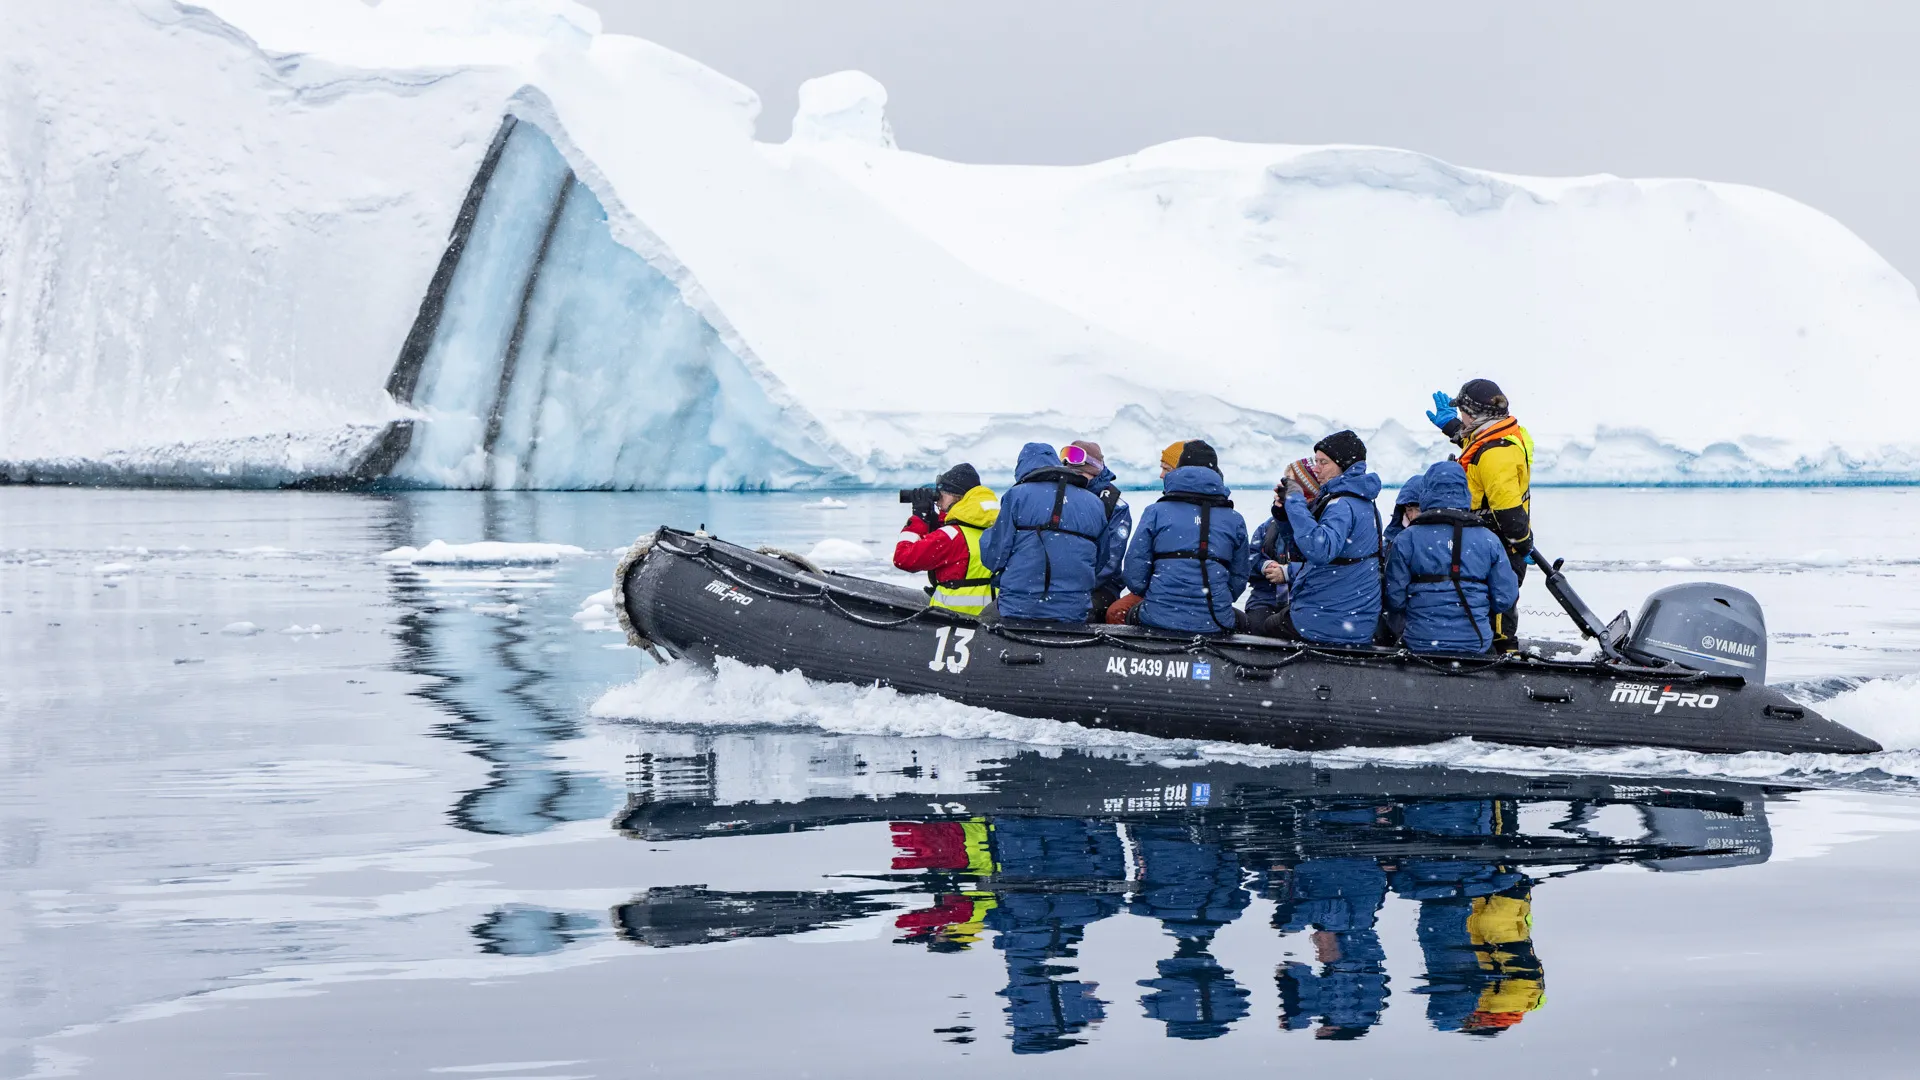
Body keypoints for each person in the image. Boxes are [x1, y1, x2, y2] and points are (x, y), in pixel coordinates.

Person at [1426, 379, 1534, 651]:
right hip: (1494, 538)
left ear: (1475, 415)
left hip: (1498, 540)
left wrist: (1521, 543)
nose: (1460, 416)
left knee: (1499, 604)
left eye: (1462, 411)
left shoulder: (1496, 453)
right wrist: (1451, 427)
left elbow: (1507, 507)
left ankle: (1503, 656)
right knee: (1494, 599)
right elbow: (1477, 448)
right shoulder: (1503, 433)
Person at [1384, 461, 1521, 654]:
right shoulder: (1489, 539)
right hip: (1475, 641)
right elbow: (1505, 598)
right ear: (1465, 492)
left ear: (1426, 492)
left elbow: (1395, 598)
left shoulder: (1406, 538)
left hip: (1420, 640)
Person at [1120, 440, 1251, 633]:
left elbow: (1134, 570)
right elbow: (1239, 576)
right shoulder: (1234, 519)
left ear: (1179, 468)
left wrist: (1157, 593)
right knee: (1244, 622)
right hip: (1214, 622)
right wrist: (1219, 597)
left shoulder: (1156, 512)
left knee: (1121, 612)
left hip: (1157, 616)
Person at [1269, 431, 1383, 645]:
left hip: (1329, 620)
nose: (1316, 468)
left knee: (1263, 628)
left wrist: (1295, 500)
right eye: (1316, 461)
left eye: (1324, 462)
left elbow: (1318, 550)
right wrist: (1284, 515)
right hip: (1353, 618)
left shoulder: (1342, 505)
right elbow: (1300, 550)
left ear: (1344, 465)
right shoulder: (1361, 501)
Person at [979, 442, 1109, 623]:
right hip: (1073, 609)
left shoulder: (1016, 495)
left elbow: (994, 556)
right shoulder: (1094, 503)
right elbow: (1101, 559)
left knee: (985, 620)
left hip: (1020, 607)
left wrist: (987, 536)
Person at [892, 463, 1001, 617]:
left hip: (949, 621)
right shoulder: (997, 530)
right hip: (987, 618)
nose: (937, 500)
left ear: (958, 496)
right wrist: (936, 522)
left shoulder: (950, 535)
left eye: (942, 494)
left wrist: (919, 519)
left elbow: (903, 558)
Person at [1244, 459, 1322, 629]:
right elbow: (1249, 556)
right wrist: (1264, 565)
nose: (1281, 486)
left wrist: (1288, 573)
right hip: (1265, 598)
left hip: (1301, 602)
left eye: (1289, 481)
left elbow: (1322, 566)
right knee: (1254, 627)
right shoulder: (1269, 524)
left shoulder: (1318, 528)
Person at [1064, 440, 1132, 623]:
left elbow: (1111, 560)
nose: (1074, 479)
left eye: (1079, 473)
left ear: (1094, 471)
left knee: (1082, 612)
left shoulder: (1115, 507)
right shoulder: (1062, 498)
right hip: (1061, 582)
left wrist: (1076, 585)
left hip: (1101, 586)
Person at [1381, 473, 1425, 548]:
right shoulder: (1394, 538)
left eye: (1418, 510)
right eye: (1409, 510)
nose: (1414, 516)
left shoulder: (1441, 537)